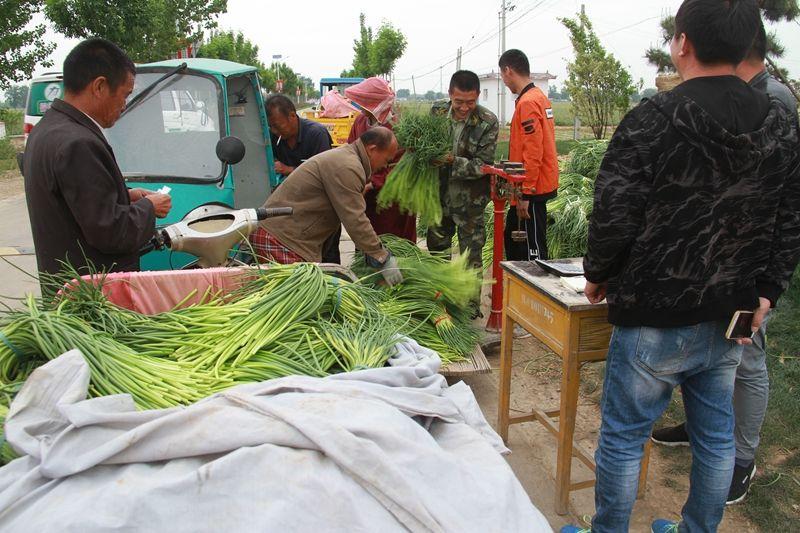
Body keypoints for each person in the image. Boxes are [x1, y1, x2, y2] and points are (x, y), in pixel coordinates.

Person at [561, 1, 800, 532]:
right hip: (731, 313)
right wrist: (768, 291)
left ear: (682, 42)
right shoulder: (780, 121)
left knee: (624, 435)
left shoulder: (654, 117)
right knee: (716, 438)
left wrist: (598, 272)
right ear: (746, 46)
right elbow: (789, 216)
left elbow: (614, 210)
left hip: (654, 312)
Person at [650, 19, 800, 506]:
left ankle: (742, 457)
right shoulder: (740, 92)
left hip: (748, 266)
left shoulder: (771, 100)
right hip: (720, 260)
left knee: (748, 356)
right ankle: (699, 427)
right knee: (714, 354)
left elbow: (778, 201)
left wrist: (766, 283)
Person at [23, 38, 172, 284]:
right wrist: (150, 207)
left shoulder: (45, 129)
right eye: (124, 95)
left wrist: (127, 195)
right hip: (93, 296)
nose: (124, 106)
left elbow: (76, 199)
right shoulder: (78, 143)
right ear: (100, 87)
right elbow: (111, 232)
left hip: (64, 285)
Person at [249, 127, 403, 286]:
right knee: (300, 300)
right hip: (282, 239)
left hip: (284, 237)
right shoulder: (347, 166)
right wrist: (381, 256)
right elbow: (355, 219)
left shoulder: (347, 158)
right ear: (372, 149)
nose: (385, 166)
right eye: (386, 160)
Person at [427, 70, 498, 315]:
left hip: (470, 202)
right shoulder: (437, 111)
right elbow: (426, 147)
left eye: (470, 102)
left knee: (472, 256)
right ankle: (439, 303)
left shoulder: (488, 121)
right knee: (437, 252)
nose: (464, 107)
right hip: (438, 198)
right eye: (459, 102)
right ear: (450, 95)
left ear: (478, 96)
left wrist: (450, 161)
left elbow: (483, 165)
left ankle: (469, 310)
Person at [498, 49, 558, 261]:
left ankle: (536, 291)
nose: (504, 82)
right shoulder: (538, 97)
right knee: (513, 242)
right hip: (528, 187)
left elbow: (533, 151)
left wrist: (526, 193)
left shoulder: (528, 103)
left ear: (508, 71)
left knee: (532, 252)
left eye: (503, 76)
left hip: (531, 190)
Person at [264, 94, 339, 263]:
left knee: (328, 258)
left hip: (320, 210)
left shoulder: (316, 134)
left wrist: (287, 169)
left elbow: (323, 176)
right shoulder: (274, 137)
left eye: (277, 125)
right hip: (294, 211)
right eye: (271, 127)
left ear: (292, 115)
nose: (275, 131)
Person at [344, 77, 416, 242]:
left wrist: (373, 182)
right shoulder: (361, 121)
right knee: (367, 235)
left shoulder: (398, 128)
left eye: (364, 103)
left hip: (393, 197)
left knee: (393, 241)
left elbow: (402, 166)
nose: (361, 108)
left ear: (376, 103)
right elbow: (351, 150)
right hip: (366, 193)